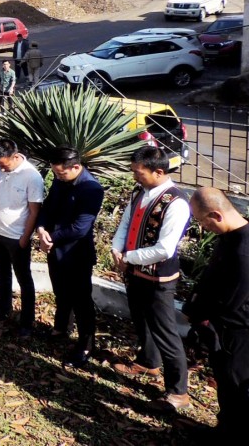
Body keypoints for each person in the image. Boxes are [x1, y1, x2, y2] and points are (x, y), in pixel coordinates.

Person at [110, 146, 191, 411]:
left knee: (166, 332)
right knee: (141, 319)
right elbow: (126, 224)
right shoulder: (139, 193)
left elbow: (165, 249)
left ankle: (178, 392)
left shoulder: (176, 202)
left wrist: (128, 257)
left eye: (138, 172)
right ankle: (147, 362)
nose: (134, 177)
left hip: (158, 279)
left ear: (158, 172)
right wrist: (116, 248)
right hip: (135, 272)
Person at [184, 187, 249, 439]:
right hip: (222, 329)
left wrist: (203, 318)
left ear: (216, 215)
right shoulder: (230, 237)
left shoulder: (243, 251)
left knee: (235, 388)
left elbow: (231, 301)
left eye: (202, 220)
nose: (202, 227)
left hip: (237, 333)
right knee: (225, 386)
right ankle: (222, 430)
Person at [36, 147, 103, 368]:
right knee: (61, 292)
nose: (58, 176)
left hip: (77, 254)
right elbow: (48, 206)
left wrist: (51, 237)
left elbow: (80, 228)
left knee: (82, 301)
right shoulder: (60, 179)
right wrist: (41, 229)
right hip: (55, 248)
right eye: (55, 173)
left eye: (61, 173)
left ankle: (86, 344)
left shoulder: (91, 188)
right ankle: (60, 328)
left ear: (76, 167)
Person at [0, 139, 43, 337]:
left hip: (17, 237)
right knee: (2, 273)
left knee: (24, 279)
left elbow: (34, 211)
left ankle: (26, 322)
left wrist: (25, 238)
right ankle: (3, 308)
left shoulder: (32, 177)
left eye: (4, 164)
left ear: (15, 156)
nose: (1, 169)